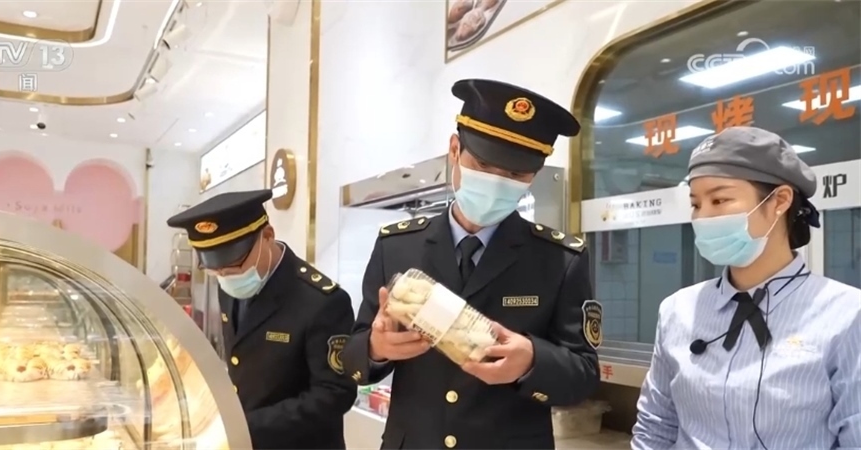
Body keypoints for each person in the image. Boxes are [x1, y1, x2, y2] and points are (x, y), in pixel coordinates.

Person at [340, 79, 601, 449]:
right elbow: (350, 354)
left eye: (515, 175)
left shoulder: (559, 259)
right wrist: (375, 347)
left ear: (534, 175)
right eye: (483, 164)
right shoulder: (397, 246)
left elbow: (584, 374)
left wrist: (532, 360)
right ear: (454, 149)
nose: (496, 183)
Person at [632, 127, 861, 449]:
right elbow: (655, 426)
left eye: (720, 200)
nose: (703, 217)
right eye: (696, 204)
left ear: (780, 200)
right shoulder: (677, 310)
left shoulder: (846, 314)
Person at [167, 189, 357, 449]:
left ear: (267, 236)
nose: (225, 275)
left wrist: (245, 426)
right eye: (215, 270)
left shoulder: (321, 301)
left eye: (235, 265)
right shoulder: (228, 285)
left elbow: (334, 393)